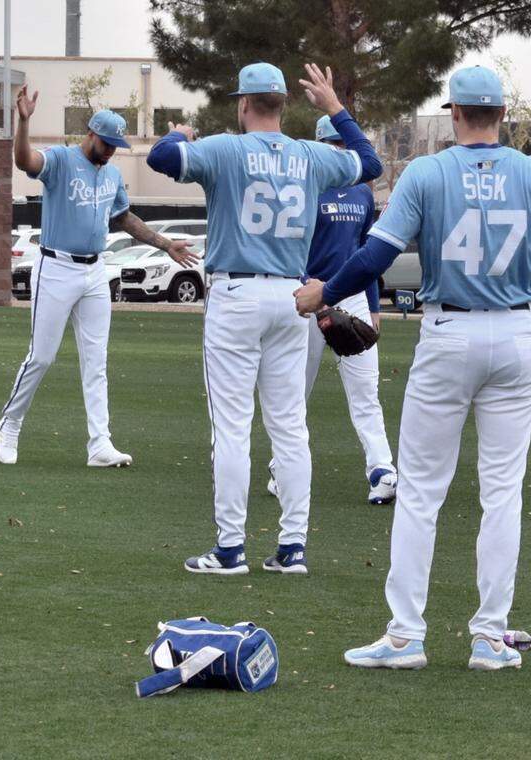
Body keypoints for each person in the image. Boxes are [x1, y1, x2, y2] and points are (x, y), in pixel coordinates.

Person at [294, 66, 531, 669]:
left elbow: (377, 254)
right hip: (517, 335)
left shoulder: (429, 172)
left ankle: (407, 635)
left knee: (419, 494)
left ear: (455, 113)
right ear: (503, 114)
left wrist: (325, 294)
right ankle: (490, 637)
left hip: (450, 332)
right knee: (502, 493)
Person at [146, 63, 381, 576]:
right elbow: (370, 162)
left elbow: (161, 156)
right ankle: (292, 547)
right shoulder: (311, 154)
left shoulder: (226, 149)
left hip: (237, 293)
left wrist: (180, 132)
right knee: (290, 427)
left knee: (233, 427)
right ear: (282, 105)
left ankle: (230, 550)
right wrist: (334, 107)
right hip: (293, 298)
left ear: (244, 104)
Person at [0, 84, 196, 467]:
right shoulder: (61, 160)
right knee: (41, 357)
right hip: (55, 267)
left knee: (96, 360)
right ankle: (11, 423)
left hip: (94, 272)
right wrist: (23, 123)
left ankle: (99, 444)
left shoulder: (110, 175)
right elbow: (25, 162)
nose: (108, 150)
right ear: (89, 134)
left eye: (113, 145)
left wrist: (163, 243)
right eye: (105, 143)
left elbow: (122, 216)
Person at [266, 114, 396, 506]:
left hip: (352, 295)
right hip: (307, 297)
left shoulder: (361, 193)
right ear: (321, 146)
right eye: (334, 145)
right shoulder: (305, 187)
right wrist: (313, 292)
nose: (340, 152)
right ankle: (281, 468)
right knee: (294, 392)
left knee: (365, 390)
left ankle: (382, 470)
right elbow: (290, 248)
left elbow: (365, 254)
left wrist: (373, 306)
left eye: (344, 146)